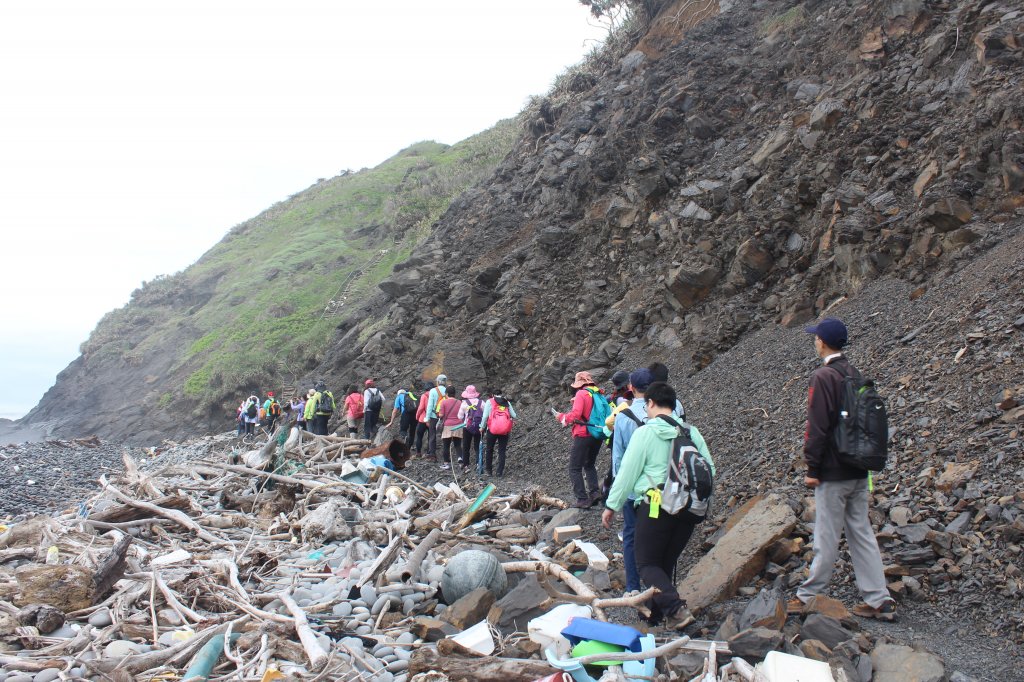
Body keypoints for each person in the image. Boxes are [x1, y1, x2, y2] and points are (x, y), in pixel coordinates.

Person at [791, 318, 896, 621]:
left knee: (826, 534)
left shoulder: (823, 376)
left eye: (816, 338)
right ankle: (879, 599)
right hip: (858, 469)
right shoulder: (854, 373)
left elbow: (818, 426)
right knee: (861, 532)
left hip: (833, 472)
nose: (814, 342)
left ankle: (807, 595)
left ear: (822, 342)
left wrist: (813, 466)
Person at [602, 381, 714, 630]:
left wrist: (612, 505)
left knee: (647, 564)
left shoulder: (645, 433)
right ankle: (655, 615)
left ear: (650, 404)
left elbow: (627, 473)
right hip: (688, 508)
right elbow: (710, 469)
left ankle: (676, 610)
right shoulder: (690, 432)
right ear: (673, 406)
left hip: (656, 505)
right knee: (663, 562)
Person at [609, 368, 653, 594]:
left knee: (631, 535)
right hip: (657, 490)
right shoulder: (666, 411)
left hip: (633, 489)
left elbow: (617, 458)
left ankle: (633, 586)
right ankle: (657, 585)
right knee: (655, 533)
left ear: (631, 388)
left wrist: (617, 494)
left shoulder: (623, 415)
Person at [555, 371, 608, 508]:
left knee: (574, 467)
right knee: (589, 464)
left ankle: (582, 499)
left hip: (584, 434)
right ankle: (595, 493)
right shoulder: (597, 392)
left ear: (579, 383)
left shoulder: (581, 394)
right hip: (597, 433)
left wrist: (562, 417)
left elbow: (576, 415)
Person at [480, 389, 517, 477]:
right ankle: (499, 472)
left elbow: (485, 416)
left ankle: (489, 471)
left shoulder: (490, 402)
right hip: (504, 430)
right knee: (502, 450)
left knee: (489, 449)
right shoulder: (506, 402)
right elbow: (514, 415)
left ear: (493, 395)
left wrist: (482, 427)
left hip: (492, 429)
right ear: (501, 394)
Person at [437, 386, 464, 470]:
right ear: (454, 393)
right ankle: (460, 460)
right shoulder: (459, 402)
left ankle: (446, 464)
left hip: (447, 426)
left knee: (446, 445)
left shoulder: (444, 402)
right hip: (458, 425)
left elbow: (441, 415)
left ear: (447, 394)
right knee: (458, 444)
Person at [458, 386, 484, 472]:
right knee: (477, 446)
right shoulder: (482, 402)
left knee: (466, 446)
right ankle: (478, 464)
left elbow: (460, 416)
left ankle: (466, 465)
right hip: (479, 427)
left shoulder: (464, 403)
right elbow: (486, 414)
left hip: (467, 427)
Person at [423, 374, 448, 462]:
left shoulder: (433, 391)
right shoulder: (448, 390)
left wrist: (427, 417)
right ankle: (446, 456)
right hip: (445, 416)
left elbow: (430, 405)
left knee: (432, 435)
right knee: (445, 436)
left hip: (434, 416)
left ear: (438, 381)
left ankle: (432, 455)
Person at [413, 380, 433, 456]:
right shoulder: (435, 395)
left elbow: (421, 408)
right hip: (432, 419)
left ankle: (418, 453)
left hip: (422, 419)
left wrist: (417, 416)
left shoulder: (424, 396)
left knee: (419, 436)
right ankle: (429, 452)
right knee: (430, 437)